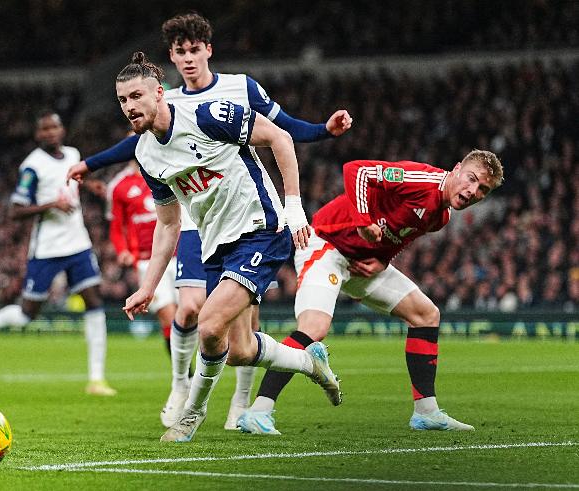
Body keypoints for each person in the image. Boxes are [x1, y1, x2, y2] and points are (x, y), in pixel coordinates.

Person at [69, 12, 352, 430]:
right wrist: (147, 287)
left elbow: (281, 136)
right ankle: (311, 364)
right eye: (122, 101)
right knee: (238, 349)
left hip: (261, 227)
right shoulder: (146, 155)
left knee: (208, 321)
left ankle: (190, 415)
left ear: (159, 93)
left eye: (136, 97)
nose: (129, 107)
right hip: (214, 241)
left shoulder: (208, 114)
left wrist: (294, 207)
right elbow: (167, 226)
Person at [238, 150, 504, 434]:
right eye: (471, 179)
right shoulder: (422, 180)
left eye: (482, 190)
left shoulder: (441, 217)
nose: (472, 191)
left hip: (360, 262)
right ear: (457, 168)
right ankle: (258, 411)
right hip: (326, 244)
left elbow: (401, 235)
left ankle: (426, 412)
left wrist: (383, 261)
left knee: (426, 314)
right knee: (314, 328)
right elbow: (357, 170)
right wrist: (364, 221)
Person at [0, 111, 116, 397]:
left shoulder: (73, 154)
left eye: (55, 126)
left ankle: (96, 379)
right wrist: (51, 205)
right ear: (37, 135)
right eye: (44, 129)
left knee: (94, 301)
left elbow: (73, 181)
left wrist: (90, 185)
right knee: (27, 314)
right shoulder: (32, 167)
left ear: (62, 129)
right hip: (47, 248)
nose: (51, 132)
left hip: (78, 243)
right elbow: (15, 211)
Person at [106, 159, 178, 355]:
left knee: (189, 315)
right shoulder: (119, 186)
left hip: (181, 254)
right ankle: (183, 376)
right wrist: (122, 250)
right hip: (148, 261)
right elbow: (116, 225)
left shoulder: (169, 169)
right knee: (168, 315)